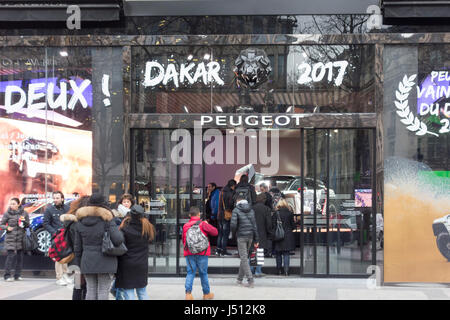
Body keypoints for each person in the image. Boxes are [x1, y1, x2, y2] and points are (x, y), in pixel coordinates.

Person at [74, 193, 124, 300]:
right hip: (106, 261)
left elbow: (77, 246)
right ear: (103, 204)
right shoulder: (108, 219)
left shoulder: (80, 221)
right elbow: (118, 240)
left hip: (87, 261)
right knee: (103, 291)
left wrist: (78, 264)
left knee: (90, 290)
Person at [115, 205, 155, 300]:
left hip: (126, 264)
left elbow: (119, 245)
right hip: (141, 264)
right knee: (142, 291)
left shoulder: (125, 228)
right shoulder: (148, 227)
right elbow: (151, 241)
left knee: (128, 292)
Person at [182, 206, 217, 300]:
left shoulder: (185, 226)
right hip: (203, 252)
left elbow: (183, 240)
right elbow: (215, 232)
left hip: (190, 253)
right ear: (199, 214)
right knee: (203, 273)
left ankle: (188, 294)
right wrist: (207, 224)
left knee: (190, 273)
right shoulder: (203, 224)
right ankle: (206, 294)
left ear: (190, 215)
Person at [60, 196, 90, 300]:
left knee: (78, 286)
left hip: (74, 260)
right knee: (84, 287)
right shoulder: (78, 223)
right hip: (80, 259)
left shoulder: (71, 221)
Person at [43, 191, 71, 286]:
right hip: (56, 237)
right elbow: (46, 223)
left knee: (66, 256)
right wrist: (54, 232)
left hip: (66, 236)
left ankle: (65, 275)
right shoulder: (49, 209)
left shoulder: (68, 208)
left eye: (57, 198)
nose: (55, 200)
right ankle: (59, 277)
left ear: (62, 198)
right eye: (54, 198)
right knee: (59, 257)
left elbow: (70, 221)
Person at [230, 196, 259, 288]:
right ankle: (239, 279)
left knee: (244, 258)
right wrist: (256, 239)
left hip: (241, 236)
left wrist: (234, 233)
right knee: (245, 257)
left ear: (238, 201)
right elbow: (255, 225)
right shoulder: (251, 209)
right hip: (250, 236)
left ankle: (250, 280)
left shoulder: (236, 210)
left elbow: (233, 224)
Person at [1, 198, 29, 281]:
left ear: (18, 204)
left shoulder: (24, 213)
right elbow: (1, 224)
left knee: (20, 258)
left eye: (13, 204)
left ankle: (17, 275)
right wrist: (7, 227)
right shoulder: (7, 213)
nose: (11, 205)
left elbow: (27, 225)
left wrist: (24, 222)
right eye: (11, 204)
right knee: (10, 256)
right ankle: (7, 275)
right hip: (10, 238)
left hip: (20, 238)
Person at [251, 193, 273, 277]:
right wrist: (270, 233)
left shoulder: (252, 208)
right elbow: (268, 224)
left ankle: (252, 270)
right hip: (262, 233)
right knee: (260, 253)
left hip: (252, 233)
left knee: (252, 252)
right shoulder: (266, 209)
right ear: (264, 200)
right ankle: (258, 271)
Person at [272, 199, 296, 276]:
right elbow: (293, 226)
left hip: (278, 235)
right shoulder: (290, 213)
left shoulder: (276, 213)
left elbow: (273, 225)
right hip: (288, 236)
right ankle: (286, 271)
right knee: (286, 254)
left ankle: (278, 270)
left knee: (278, 254)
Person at [217, 179, 236, 256]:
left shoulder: (222, 191)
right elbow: (230, 205)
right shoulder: (229, 193)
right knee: (225, 234)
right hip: (226, 215)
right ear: (232, 186)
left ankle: (218, 250)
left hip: (219, 215)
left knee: (220, 233)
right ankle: (223, 251)